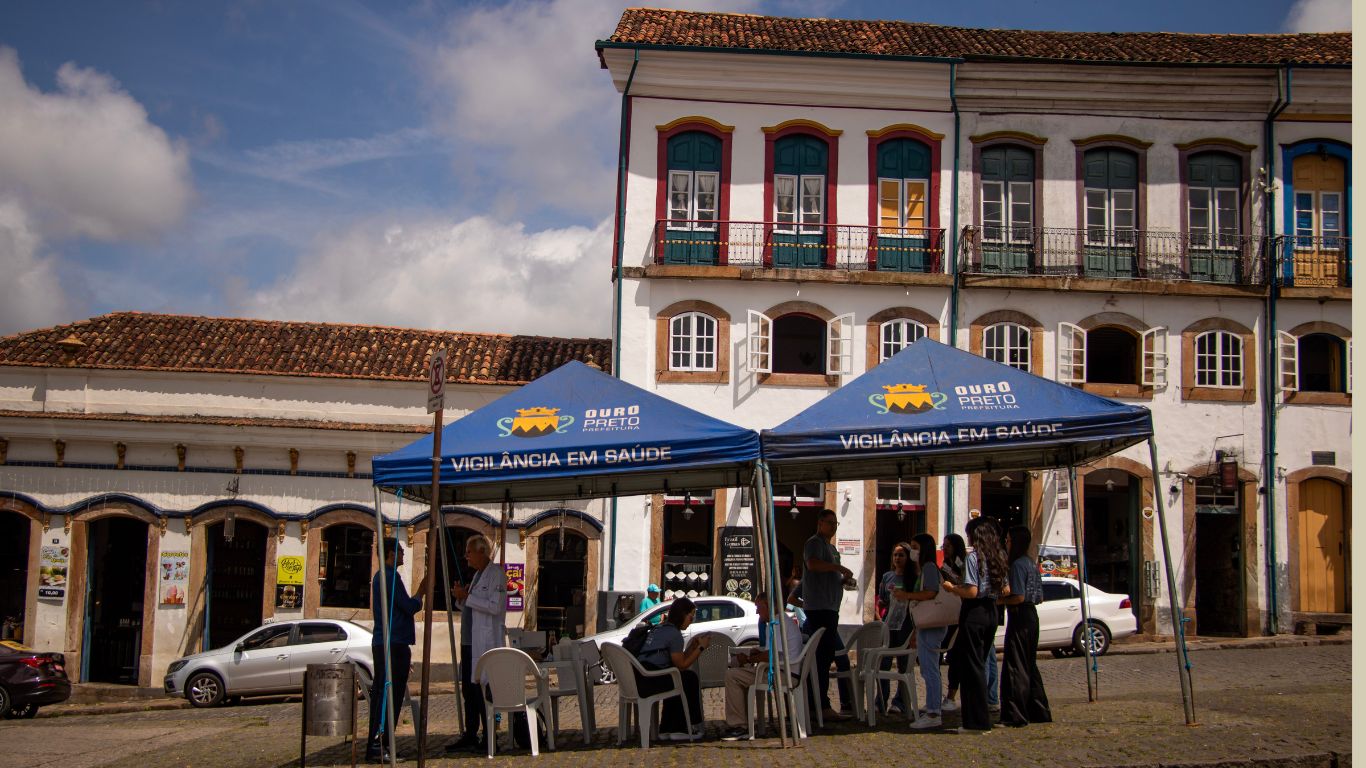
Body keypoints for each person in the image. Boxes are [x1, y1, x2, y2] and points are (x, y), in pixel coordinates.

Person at [942, 517, 1008, 732]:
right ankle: (982, 717)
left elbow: (971, 591)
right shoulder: (998, 556)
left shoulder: (974, 558)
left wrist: (952, 588)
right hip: (992, 612)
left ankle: (975, 722)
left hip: (974, 613)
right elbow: (1005, 590)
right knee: (979, 664)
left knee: (972, 668)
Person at [366, 537, 427, 763]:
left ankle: (382, 742)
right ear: (391, 553)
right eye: (400, 551)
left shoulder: (383, 577)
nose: (403, 555)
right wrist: (420, 592)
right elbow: (408, 607)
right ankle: (377, 743)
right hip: (393, 643)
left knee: (389, 693)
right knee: (387, 694)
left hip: (390, 642)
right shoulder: (389, 577)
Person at [446, 535, 507, 754]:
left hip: (484, 643)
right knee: (469, 691)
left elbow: (495, 607)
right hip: (469, 641)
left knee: (483, 692)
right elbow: (472, 608)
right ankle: (470, 734)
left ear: (482, 551)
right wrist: (461, 597)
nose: (466, 556)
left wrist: (468, 598)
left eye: (469, 552)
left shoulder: (496, 574)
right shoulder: (477, 575)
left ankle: (489, 737)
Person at [721, 593, 803, 740]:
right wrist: (756, 653)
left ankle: (739, 726)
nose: (757, 612)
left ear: (769, 606)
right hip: (784, 670)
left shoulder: (778, 624)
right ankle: (743, 722)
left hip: (784, 674)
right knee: (739, 674)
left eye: (759, 607)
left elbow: (772, 656)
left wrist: (748, 659)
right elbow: (773, 652)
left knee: (732, 675)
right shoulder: (779, 622)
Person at [801, 508, 853, 721]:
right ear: (820, 523)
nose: (833, 527)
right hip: (820, 609)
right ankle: (821, 706)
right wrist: (838, 567)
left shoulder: (829, 547)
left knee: (825, 658)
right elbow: (812, 564)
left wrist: (841, 580)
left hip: (830, 607)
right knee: (822, 659)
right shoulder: (814, 543)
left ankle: (818, 705)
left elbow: (826, 574)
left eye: (835, 524)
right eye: (830, 523)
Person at [999, 524, 1052, 727]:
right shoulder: (1030, 563)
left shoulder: (1018, 565)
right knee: (1028, 665)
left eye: (1009, 540)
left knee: (1016, 666)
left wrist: (1000, 601)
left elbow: (1019, 597)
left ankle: (1016, 715)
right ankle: (1038, 710)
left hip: (1021, 616)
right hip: (1031, 616)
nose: (1006, 543)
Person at [635, 597, 709, 740]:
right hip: (650, 680)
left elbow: (677, 661)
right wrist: (701, 647)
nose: (692, 619)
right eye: (690, 615)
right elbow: (681, 665)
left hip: (642, 676)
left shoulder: (660, 628)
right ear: (682, 615)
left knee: (678, 677)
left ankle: (667, 728)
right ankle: (683, 727)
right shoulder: (674, 634)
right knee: (689, 679)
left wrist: (692, 648)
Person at [903, 533, 946, 729]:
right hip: (926, 625)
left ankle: (933, 712)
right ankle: (932, 706)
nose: (912, 551)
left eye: (915, 547)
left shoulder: (928, 568)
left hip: (932, 624)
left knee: (930, 669)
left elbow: (931, 592)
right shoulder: (924, 569)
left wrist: (907, 595)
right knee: (929, 668)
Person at [877, 542, 917, 714]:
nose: (897, 558)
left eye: (901, 555)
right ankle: (880, 701)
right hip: (889, 624)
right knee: (883, 664)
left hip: (906, 625)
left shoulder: (914, 577)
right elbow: (882, 600)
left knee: (904, 665)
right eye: (895, 555)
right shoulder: (887, 577)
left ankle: (900, 702)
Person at [938, 532, 967, 712]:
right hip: (946, 614)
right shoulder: (945, 565)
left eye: (947, 545)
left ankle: (951, 696)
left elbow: (965, 584)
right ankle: (938, 694)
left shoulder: (962, 564)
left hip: (959, 615)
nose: (944, 548)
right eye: (943, 545)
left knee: (956, 657)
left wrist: (951, 582)